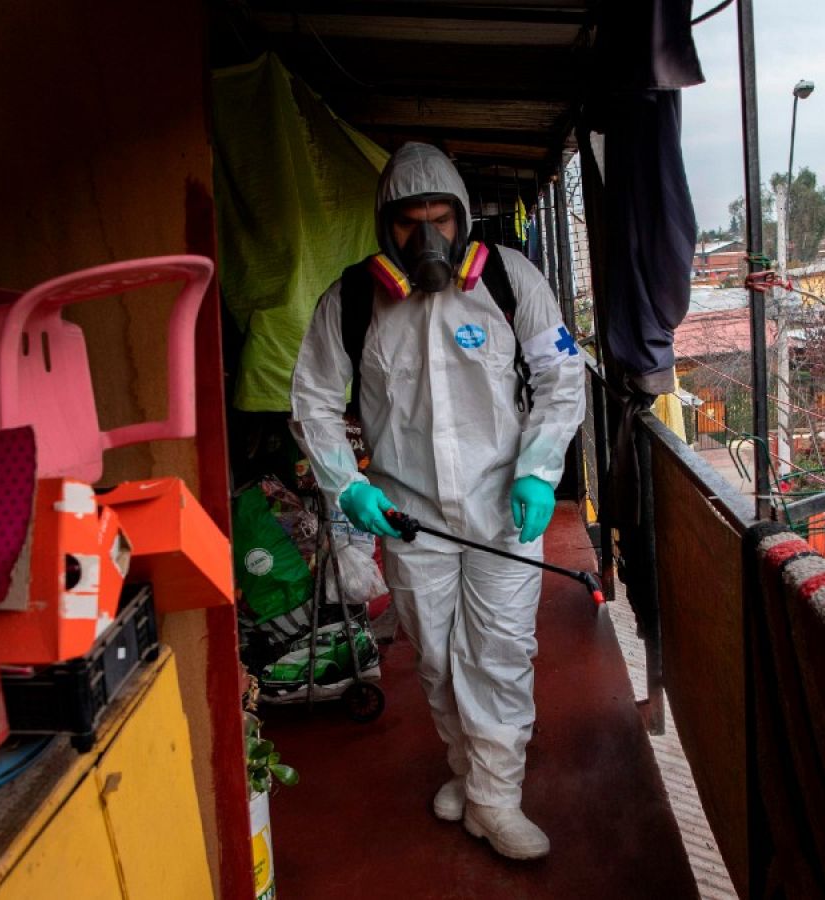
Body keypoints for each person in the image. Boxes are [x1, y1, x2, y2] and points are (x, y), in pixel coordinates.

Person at [290, 142, 585, 860]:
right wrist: (349, 486)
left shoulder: (511, 280)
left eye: (441, 218)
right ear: (385, 226)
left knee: (500, 654)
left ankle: (496, 799)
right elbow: (312, 404)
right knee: (437, 658)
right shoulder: (352, 301)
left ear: (462, 217)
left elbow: (562, 375)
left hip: (502, 510)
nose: (428, 238)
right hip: (408, 517)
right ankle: (470, 771)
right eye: (410, 221)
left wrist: (540, 469)